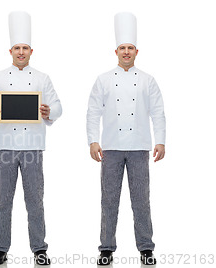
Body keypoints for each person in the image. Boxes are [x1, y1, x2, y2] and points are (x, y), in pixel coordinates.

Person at [0, 11, 62, 266]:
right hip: (5, 146)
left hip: (33, 147)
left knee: (35, 200)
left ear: (31, 51)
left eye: (25, 48)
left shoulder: (42, 78)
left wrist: (50, 112)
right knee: (3, 200)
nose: (21, 52)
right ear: (11, 50)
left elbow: (58, 106)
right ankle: (1, 248)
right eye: (17, 48)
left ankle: (39, 248)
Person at [86, 12, 166, 266]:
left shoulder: (148, 80)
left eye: (130, 48)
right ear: (116, 51)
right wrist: (92, 141)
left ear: (136, 51)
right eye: (122, 48)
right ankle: (106, 248)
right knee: (108, 199)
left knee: (141, 199)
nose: (126, 52)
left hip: (140, 147)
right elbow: (92, 112)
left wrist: (160, 141)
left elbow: (158, 112)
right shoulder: (103, 80)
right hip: (110, 148)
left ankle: (146, 248)